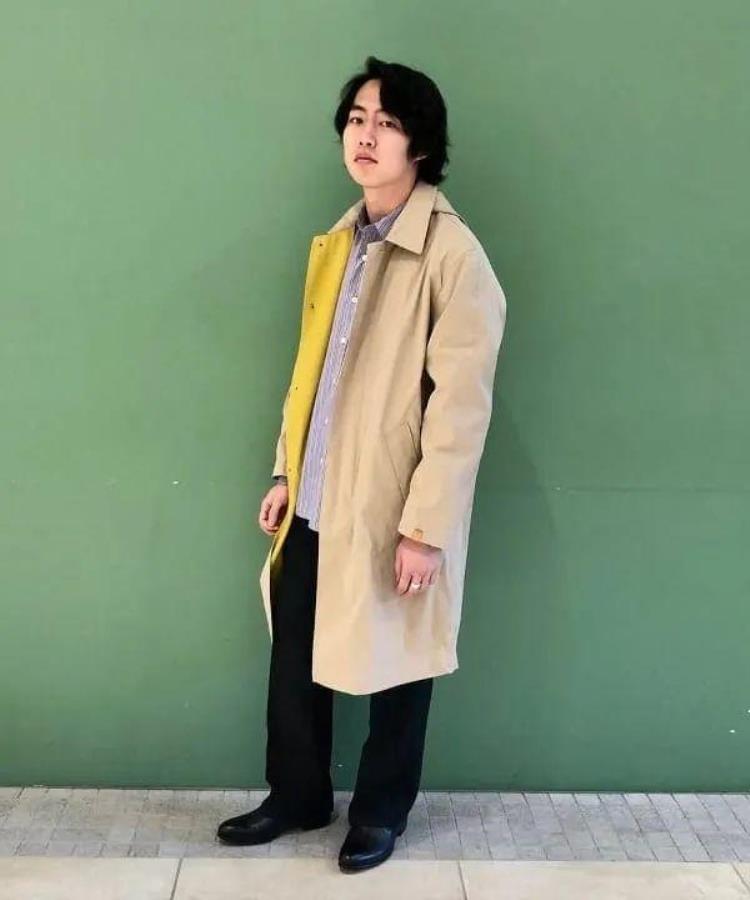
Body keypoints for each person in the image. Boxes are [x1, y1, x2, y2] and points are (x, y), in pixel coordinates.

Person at [217, 55, 507, 874]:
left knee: (400, 664)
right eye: (356, 119)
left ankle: (380, 814)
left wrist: (426, 528)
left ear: (422, 144)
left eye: (386, 122)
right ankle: (298, 795)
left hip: (392, 506)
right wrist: (286, 472)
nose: (366, 136)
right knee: (294, 657)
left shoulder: (453, 255)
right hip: (316, 496)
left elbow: (461, 410)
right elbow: (311, 374)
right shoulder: (340, 241)